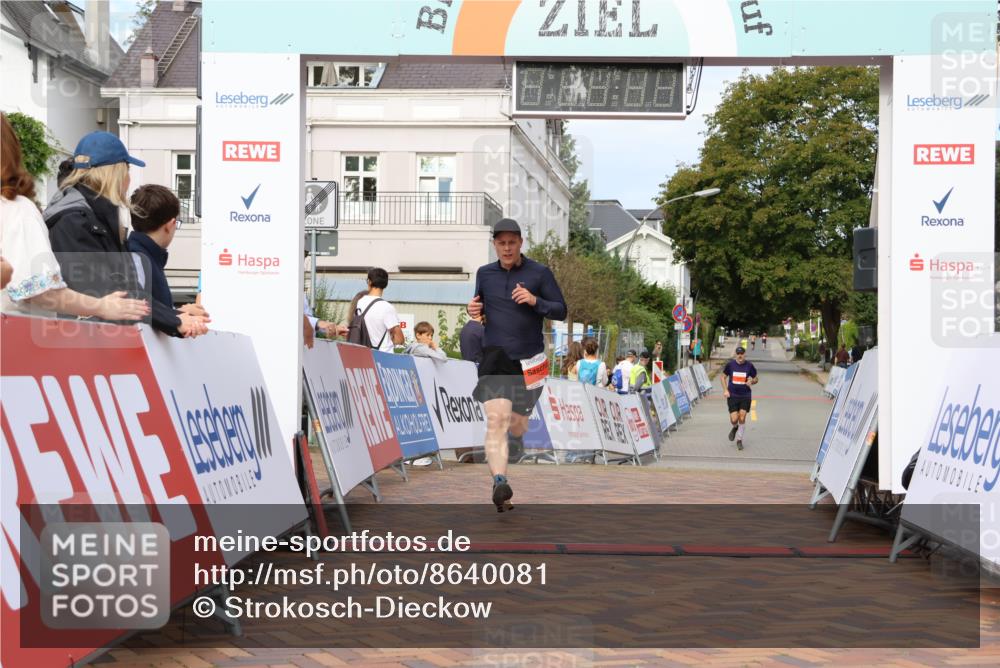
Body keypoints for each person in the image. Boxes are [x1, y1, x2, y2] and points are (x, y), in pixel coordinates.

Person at [1, 115, 149, 321]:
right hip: (17, 341)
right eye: (127, 171)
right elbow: (39, 291)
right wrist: (101, 306)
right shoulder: (17, 211)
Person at [467, 218, 566, 511]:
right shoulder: (484, 274)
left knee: (517, 426)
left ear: (520, 243)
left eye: (512, 242)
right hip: (496, 356)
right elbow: (480, 308)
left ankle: (516, 442)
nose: (507, 248)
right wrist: (473, 309)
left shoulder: (540, 273)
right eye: (501, 243)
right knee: (496, 420)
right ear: (494, 245)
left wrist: (536, 301)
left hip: (530, 360)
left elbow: (561, 310)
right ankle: (499, 481)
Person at [45, 130, 147, 312]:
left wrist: (174, 316)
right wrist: (175, 320)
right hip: (84, 336)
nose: (129, 179)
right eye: (127, 171)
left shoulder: (97, 215)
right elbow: (106, 291)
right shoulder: (73, 220)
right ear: (114, 174)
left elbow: (130, 289)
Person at [127, 184, 210, 337]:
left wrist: (178, 312)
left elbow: (151, 311)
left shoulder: (142, 255)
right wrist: (176, 318)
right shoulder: (137, 257)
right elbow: (136, 305)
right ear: (170, 225)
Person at [354, 267, 404, 352]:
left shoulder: (359, 303)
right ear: (385, 284)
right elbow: (399, 339)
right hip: (384, 356)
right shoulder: (387, 307)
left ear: (369, 282)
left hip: (364, 353)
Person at [721, 346, 758, 451]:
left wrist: (752, 381)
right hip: (732, 395)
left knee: (742, 417)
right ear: (735, 354)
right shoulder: (730, 365)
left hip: (745, 395)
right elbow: (723, 377)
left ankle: (739, 440)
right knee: (734, 419)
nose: (740, 355)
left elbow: (756, 378)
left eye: (742, 353)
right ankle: (735, 427)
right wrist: (725, 390)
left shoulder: (749, 366)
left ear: (744, 354)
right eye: (738, 353)